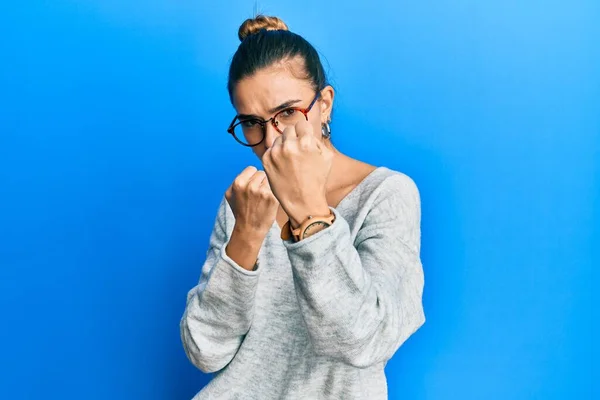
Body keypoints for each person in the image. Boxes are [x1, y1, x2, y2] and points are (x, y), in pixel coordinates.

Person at [180, 14, 426, 400]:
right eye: (251, 122)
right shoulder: (245, 203)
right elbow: (205, 351)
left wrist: (310, 213)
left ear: (324, 104)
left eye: (288, 112)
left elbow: (362, 341)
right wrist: (245, 237)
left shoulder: (385, 195)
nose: (271, 138)